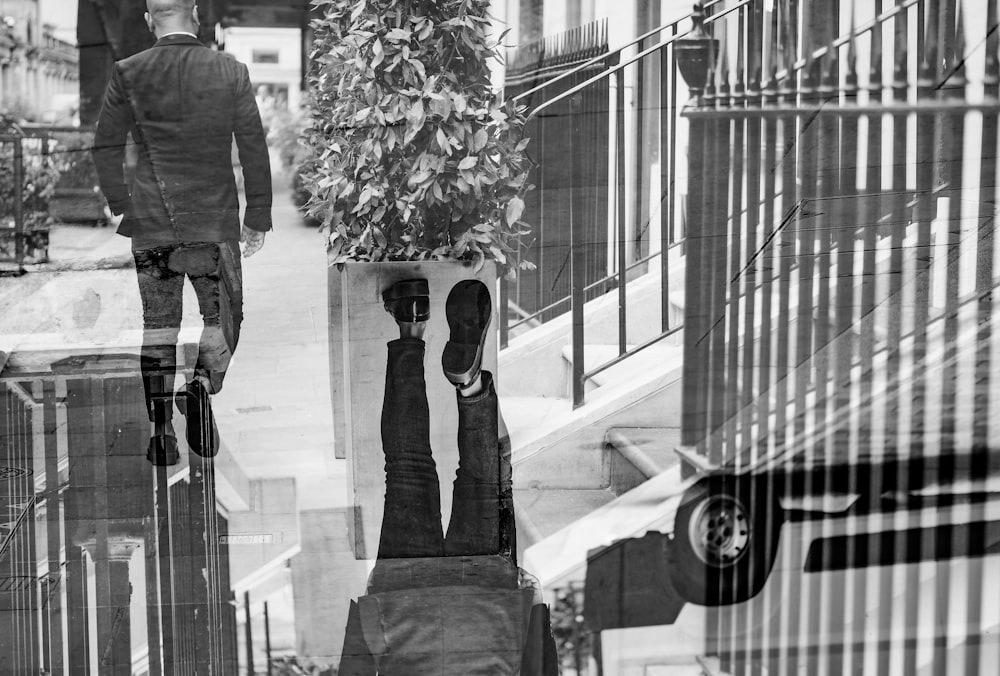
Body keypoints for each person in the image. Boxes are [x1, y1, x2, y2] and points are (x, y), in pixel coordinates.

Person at [338, 278, 559, 675]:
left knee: (479, 477)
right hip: (404, 607)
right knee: (407, 466)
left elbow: (540, 668)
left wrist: (533, 601)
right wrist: (369, 615)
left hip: (486, 605)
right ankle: (410, 319)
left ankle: (470, 385)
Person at [92, 0, 272, 465]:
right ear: (194, 14)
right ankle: (199, 386)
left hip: (152, 221)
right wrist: (258, 215)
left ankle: (159, 434)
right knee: (223, 318)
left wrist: (120, 205)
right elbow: (252, 142)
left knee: (159, 326)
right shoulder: (229, 70)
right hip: (212, 223)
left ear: (150, 19)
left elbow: (105, 146)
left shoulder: (127, 71)